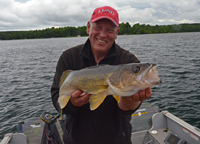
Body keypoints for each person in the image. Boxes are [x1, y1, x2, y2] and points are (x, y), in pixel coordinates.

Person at [51, 6, 152, 144]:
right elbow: (58, 98)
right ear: (88, 27)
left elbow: (127, 110)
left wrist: (132, 99)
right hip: (76, 140)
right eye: (98, 27)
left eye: (109, 30)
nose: (103, 35)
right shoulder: (69, 57)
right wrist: (73, 103)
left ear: (117, 33)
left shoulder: (129, 61)